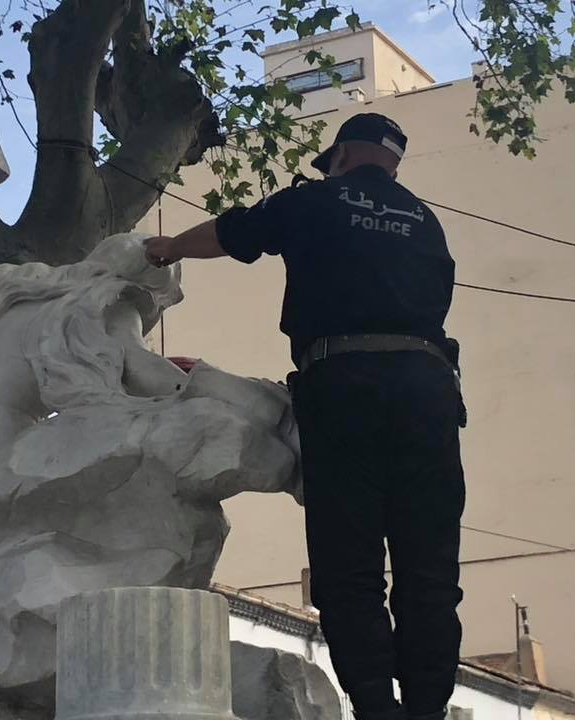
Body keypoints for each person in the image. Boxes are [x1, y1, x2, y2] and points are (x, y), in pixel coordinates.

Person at [144, 113, 465, 720]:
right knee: (429, 569)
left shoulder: (316, 200)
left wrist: (168, 247)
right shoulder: (426, 221)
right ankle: (427, 710)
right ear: (393, 161)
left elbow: (235, 232)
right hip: (427, 392)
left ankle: (375, 706)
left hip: (343, 385)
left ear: (342, 154)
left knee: (348, 566)